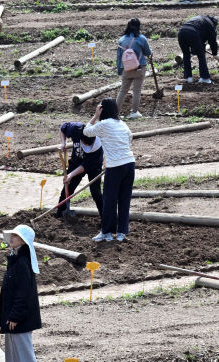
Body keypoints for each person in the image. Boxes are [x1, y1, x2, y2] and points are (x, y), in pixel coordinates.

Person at [0, 225, 46, 362]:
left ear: (24, 241)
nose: (12, 238)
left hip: (19, 319)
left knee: (23, 355)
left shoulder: (22, 263)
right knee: (14, 356)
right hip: (13, 318)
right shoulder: (16, 259)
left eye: (15, 236)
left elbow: (24, 294)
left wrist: (15, 316)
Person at [84, 99, 135, 243]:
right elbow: (130, 137)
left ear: (102, 110)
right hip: (129, 163)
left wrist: (94, 116)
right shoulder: (122, 123)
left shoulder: (103, 125)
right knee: (124, 199)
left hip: (115, 167)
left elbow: (86, 132)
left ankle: (106, 232)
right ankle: (121, 233)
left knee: (109, 201)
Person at [56, 122, 104, 217]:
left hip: (93, 167)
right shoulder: (76, 129)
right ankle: (60, 213)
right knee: (68, 187)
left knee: (95, 192)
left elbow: (85, 166)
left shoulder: (97, 148)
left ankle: (105, 218)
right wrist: (63, 143)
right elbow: (63, 128)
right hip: (76, 161)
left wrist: (71, 175)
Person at [116, 18, 153, 118]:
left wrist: (120, 70)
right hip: (139, 68)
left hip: (126, 69)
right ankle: (134, 112)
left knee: (123, 91)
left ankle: (116, 114)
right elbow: (148, 52)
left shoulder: (122, 40)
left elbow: (119, 57)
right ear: (138, 26)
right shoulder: (141, 39)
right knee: (137, 90)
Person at [178, 15, 217, 84]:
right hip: (192, 32)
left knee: (186, 55)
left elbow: (200, 38)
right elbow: (213, 42)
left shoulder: (202, 20)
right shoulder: (210, 24)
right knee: (201, 56)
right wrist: (215, 53)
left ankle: (188, 78)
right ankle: (204, 78)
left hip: (181, 32)